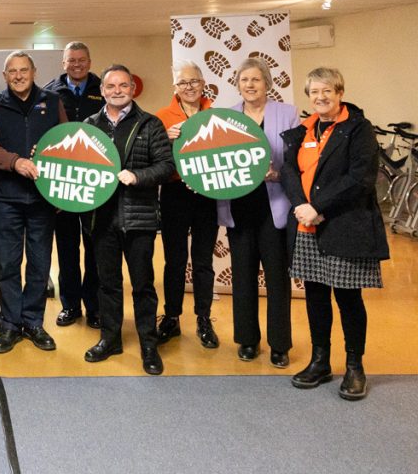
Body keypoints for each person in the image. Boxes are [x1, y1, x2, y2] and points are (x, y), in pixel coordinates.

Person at [281, 68, 388, 401]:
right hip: (307, 225)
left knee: (347, 297)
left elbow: (361, 178)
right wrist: (301, 205)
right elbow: (289, 171)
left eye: (327, 90)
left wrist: (318, 206)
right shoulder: (302, 129)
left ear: (340, 92)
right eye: (314, 92)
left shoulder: (358, 128)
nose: (320, 97)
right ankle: (320, 361)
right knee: (315, 295)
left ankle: (355, 367)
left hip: (344, 224)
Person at [83, 65, 173, 376]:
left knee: (143, 285)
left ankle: (149, 344)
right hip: (102, 220)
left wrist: (137, 176)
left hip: (139, 219)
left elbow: (166, 165)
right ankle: (110, 339)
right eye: (111, 86)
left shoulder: (150, 123)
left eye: (123, 85)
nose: (117, 91)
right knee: (107, 284)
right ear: (102, 91)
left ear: (133, 89)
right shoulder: (89, 125)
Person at [0, 51, 65, 354]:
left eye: (23, 70)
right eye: (12, 71)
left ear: (34, 71)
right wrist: (15, 162)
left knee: (40, 264)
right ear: (4, 76)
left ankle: (33, 322)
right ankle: (11, 325)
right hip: (6, 198)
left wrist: (59, 191)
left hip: (42, 198)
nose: (18, 76)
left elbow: (66, 143)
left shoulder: (52, 101)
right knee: (8, 263)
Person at [216, 57, 296, 368]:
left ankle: (280, 344)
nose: (249, 85)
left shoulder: (287, 113)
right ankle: (247, 340)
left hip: (274, 207)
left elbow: (297, 160)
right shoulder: (226, 117)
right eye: (244, 80)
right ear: (237, 85)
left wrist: (277, 174)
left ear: (267, 83)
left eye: (256, 79)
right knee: (243, 277)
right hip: (239, 207)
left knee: (277, 279)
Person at [154, 60, 220, 349]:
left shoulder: (216, 115)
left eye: (194, 81)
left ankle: (204, 319)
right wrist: (166, 141)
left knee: (204, 261)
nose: (189, 87)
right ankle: (171, 317)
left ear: (203, 83)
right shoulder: (161, 117)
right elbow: (155, 159)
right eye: (183, 82)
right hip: (174, 192)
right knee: (175, 260)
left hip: (207, 194)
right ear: (175, 87)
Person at [43, 41, 103, 329]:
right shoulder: (49, 92)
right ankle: (70, 306)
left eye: (81, 60)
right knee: (67, 248)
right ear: (63, 63)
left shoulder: (103, 89)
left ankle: (95, 307)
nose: (76, 64)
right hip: (63, 183)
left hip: (95, 182)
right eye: (71, 60)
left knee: (95, 249)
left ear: (89, 62)